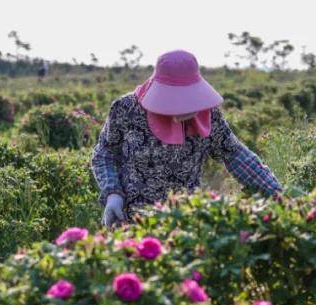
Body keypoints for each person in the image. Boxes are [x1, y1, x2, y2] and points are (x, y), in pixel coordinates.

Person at [92, 50, 281, 227]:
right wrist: (112, 194)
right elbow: (104, 154)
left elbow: (234, 154)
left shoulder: (208, 113)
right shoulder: (126, 109)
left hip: (185, 222)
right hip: (133, 222)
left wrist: (279, 196)